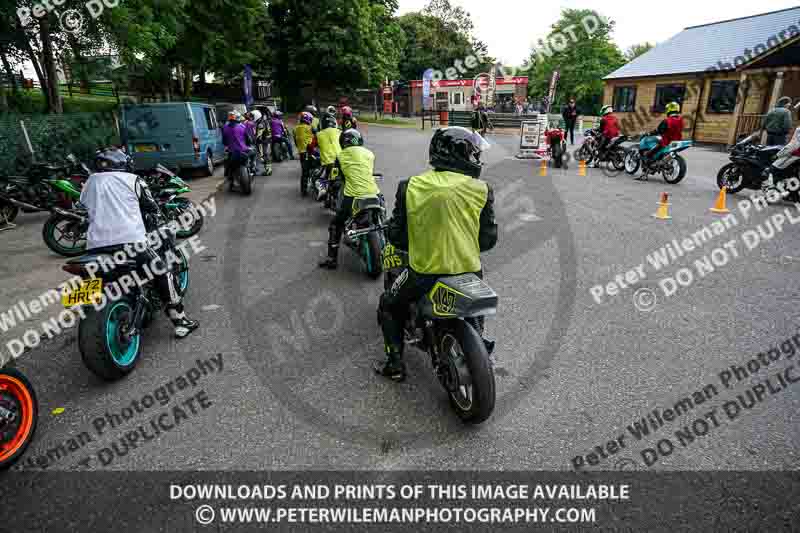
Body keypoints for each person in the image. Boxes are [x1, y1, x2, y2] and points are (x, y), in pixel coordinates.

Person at [377, 127, 498, 381]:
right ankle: (478, 342)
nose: (476, 159)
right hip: (470, 272)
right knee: (476, 308)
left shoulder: (410, 186)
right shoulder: (482, 189)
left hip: (423, 273)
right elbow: (487, 240)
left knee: (388, 304)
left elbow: (397, 237)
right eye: (473, 154)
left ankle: (395, 363)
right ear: (459, 154)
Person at [80, 148, 199, 339]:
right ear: (123, 163)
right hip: (130, 241)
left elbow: (84, 206)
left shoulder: (89, 183)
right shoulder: (133, 180)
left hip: (94, 245)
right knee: (162, 271)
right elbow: (151, 206)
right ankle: (180, 320)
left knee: (90, 279)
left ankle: (89, 306)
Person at [318, 129, 379, 270]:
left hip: (353, 196)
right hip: (373, 193)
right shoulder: (370, 154)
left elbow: (336, 177)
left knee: (336, 224)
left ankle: (332, 259)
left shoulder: (340, 156)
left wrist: (332, 188)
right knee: (380, 216)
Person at [637, 101, 683, 178]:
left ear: (669, 110)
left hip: (666, 142)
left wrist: (648, 134)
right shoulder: (681, 120)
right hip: (676, 141)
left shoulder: (667, 121)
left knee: (648, 154)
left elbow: (658, 131)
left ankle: (645, 172)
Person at [762, 101, 800, 192]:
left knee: (773, 165)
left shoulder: (772, 110)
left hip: (770, 135)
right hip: (780, 136)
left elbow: (794, 145)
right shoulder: (786, 112)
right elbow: (787, 124)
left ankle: (772, 191)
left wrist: (779, 155)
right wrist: (786, 131)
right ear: (786, 104)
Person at [316, 114, 343, 205]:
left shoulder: (319, 134)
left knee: (320, 178)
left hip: (328, 163)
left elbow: (311, 145)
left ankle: (323, 190)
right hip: (341, 161)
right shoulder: (340, 132)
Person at [222, 111, 255, 178]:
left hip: (232, 152)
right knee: (253, 153)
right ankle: (252, 169)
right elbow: (249, 139)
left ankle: (230, 177)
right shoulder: (242, 126)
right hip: (243, 150)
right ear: (237, 119)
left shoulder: (225, 128)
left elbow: (224, 141)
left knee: (227, 163)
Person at [294, 111, 316, 187]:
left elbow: (295, 141)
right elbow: (317, 136)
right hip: (309, 151)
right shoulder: (310, 127)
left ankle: (304, 188)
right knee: (315, 165)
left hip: (301, 152)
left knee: (304, 171)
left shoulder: (296, 128)